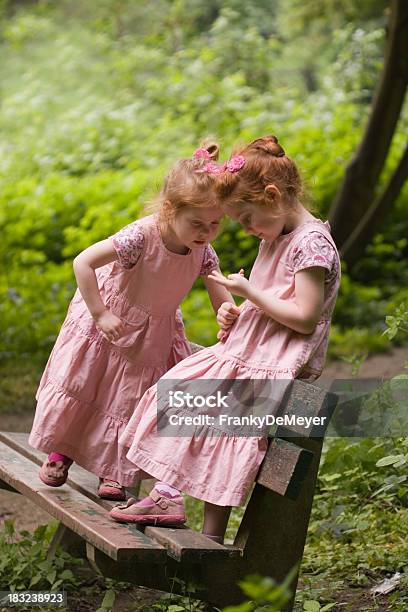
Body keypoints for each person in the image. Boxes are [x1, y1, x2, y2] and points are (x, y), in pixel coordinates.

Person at [109, 134, 341, 542]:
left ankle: (196, 525)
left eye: (247, 217)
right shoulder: (279, 233)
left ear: (272, 195)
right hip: (251, 352)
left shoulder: (311, 245)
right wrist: (238, 313)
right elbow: (275, 302)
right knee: (178, 394)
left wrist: (250, 293)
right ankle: (182, 511)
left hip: (276, 364)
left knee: (203, 409)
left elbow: (304, 318)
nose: (247, 229)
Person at [29, 142, 236, 501]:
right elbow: (83, 262)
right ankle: (61, 450)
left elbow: (216, 282)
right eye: (198, 223)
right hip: (108, 320)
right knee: (87, 384)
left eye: (215, 224)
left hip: (153, 333)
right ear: (171, 210)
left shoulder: (203, 250)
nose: (206, 232)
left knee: (131, 400)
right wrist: (100, 313)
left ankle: (114, 472)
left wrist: (227, 310)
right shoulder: (141, 235)